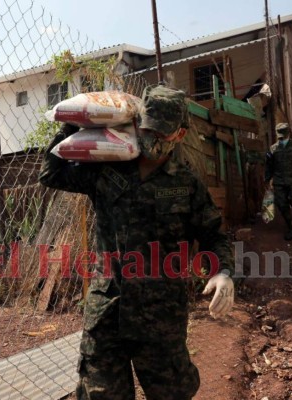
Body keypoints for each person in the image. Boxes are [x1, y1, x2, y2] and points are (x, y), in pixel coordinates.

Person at [39, 84, 234, 400]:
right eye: (145, 129)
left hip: (160, 316)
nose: (150, 138)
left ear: (180, 135)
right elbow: (51, 174)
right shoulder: (106, 166)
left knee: (173, 393)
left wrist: (222, 271)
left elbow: (213, 234)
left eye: (161, 133)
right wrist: (72, 124)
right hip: (107, 311)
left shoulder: (186, 183)